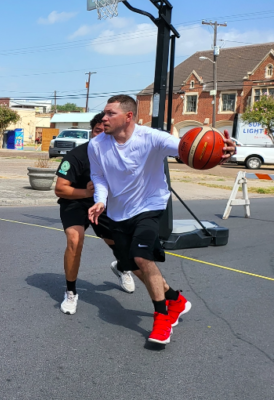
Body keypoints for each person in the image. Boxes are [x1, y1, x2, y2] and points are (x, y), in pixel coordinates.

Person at [88, 95, 235, 345]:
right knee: (132, 264)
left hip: (150, 206)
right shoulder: (96, 144)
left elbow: (188, 148)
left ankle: (162, 318)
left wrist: (225, 150)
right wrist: (100, 199)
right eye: (104, 113)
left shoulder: (152, 137)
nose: (104, 118)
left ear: (128, 116)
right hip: (117, 211)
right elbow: (98, 176)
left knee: (142, 257)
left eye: (110, 113)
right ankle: (175, 300)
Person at [55, 112, 135, 316]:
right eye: (97, 131)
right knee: (75, 238)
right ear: (92, 132)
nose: (101, 136)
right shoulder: (77, 155)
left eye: (105, 132)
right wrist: (86, 192)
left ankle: (121, 267)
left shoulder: (118, 154)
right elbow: (60, 189)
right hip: (75, 202)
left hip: (102, 204)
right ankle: (71, 292)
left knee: (118, 243)